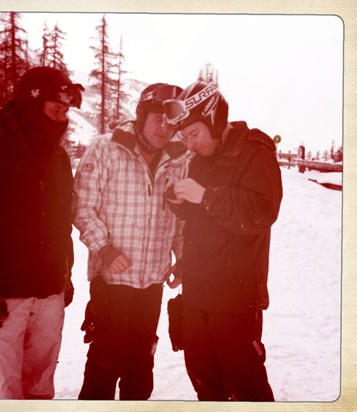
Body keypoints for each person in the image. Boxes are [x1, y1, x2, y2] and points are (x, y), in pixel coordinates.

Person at [0, 66, 84, 399]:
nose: (62, 115)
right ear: (32, 102)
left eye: (65, 109)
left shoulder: (58, 157)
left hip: (49, 292)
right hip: (5, 296)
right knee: (7, 389)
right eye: (55, 107)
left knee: (41, 385)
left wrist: (64, 274)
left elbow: (60, 224)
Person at [162, 81, 283, 401]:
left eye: (195, 134)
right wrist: (179, 202)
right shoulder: (202, 160)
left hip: (235, 299)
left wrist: (205, 195)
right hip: (197, 295)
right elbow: (204, 222)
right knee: (205, 383)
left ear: (214, 119)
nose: (190, 144)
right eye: (185, 137)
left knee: (246, 387)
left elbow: (261, 212)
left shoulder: (254, 150)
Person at [73, 83, 188, 400]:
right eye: (157, 119)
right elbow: (81, 206)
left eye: (171, 122)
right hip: (112, 281)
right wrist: (105, 249)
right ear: (141, 116)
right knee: (104, 362)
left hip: (152, 282)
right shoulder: (106, 148)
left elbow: (179, 219)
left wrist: (183, 259)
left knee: (141, 364)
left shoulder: (179, 160)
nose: (165, 129)